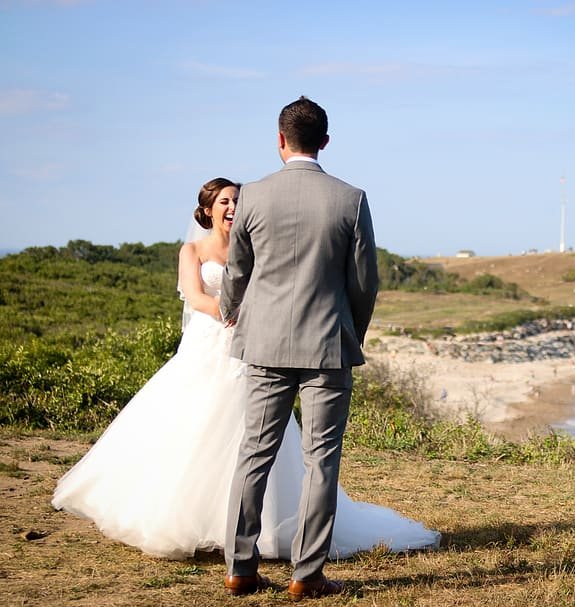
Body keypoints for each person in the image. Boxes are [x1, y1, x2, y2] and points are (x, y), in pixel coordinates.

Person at [51, 177, 439, 566]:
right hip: (211, 344)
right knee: (198, 429)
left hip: (258, 345)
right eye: (224, 201)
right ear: (207, 210)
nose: (233, 206)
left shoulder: (252, 241)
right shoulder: (193, 250)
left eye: (237, 199)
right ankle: (192, 518)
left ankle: (245, 538)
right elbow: (196, 295)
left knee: (253, 438)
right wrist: (234, 313)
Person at [220, 95, 381, 601]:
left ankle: (239, 567)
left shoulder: (253, 196)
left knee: (254, 455)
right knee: (321, 461)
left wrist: (233, 312)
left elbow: (236, 272)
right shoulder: (350, 198)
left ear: (280, 138)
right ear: (326, 142)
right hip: (327, 344)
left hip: (264, 343)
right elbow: (365, 282)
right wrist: (351, 329)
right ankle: (306, 574)